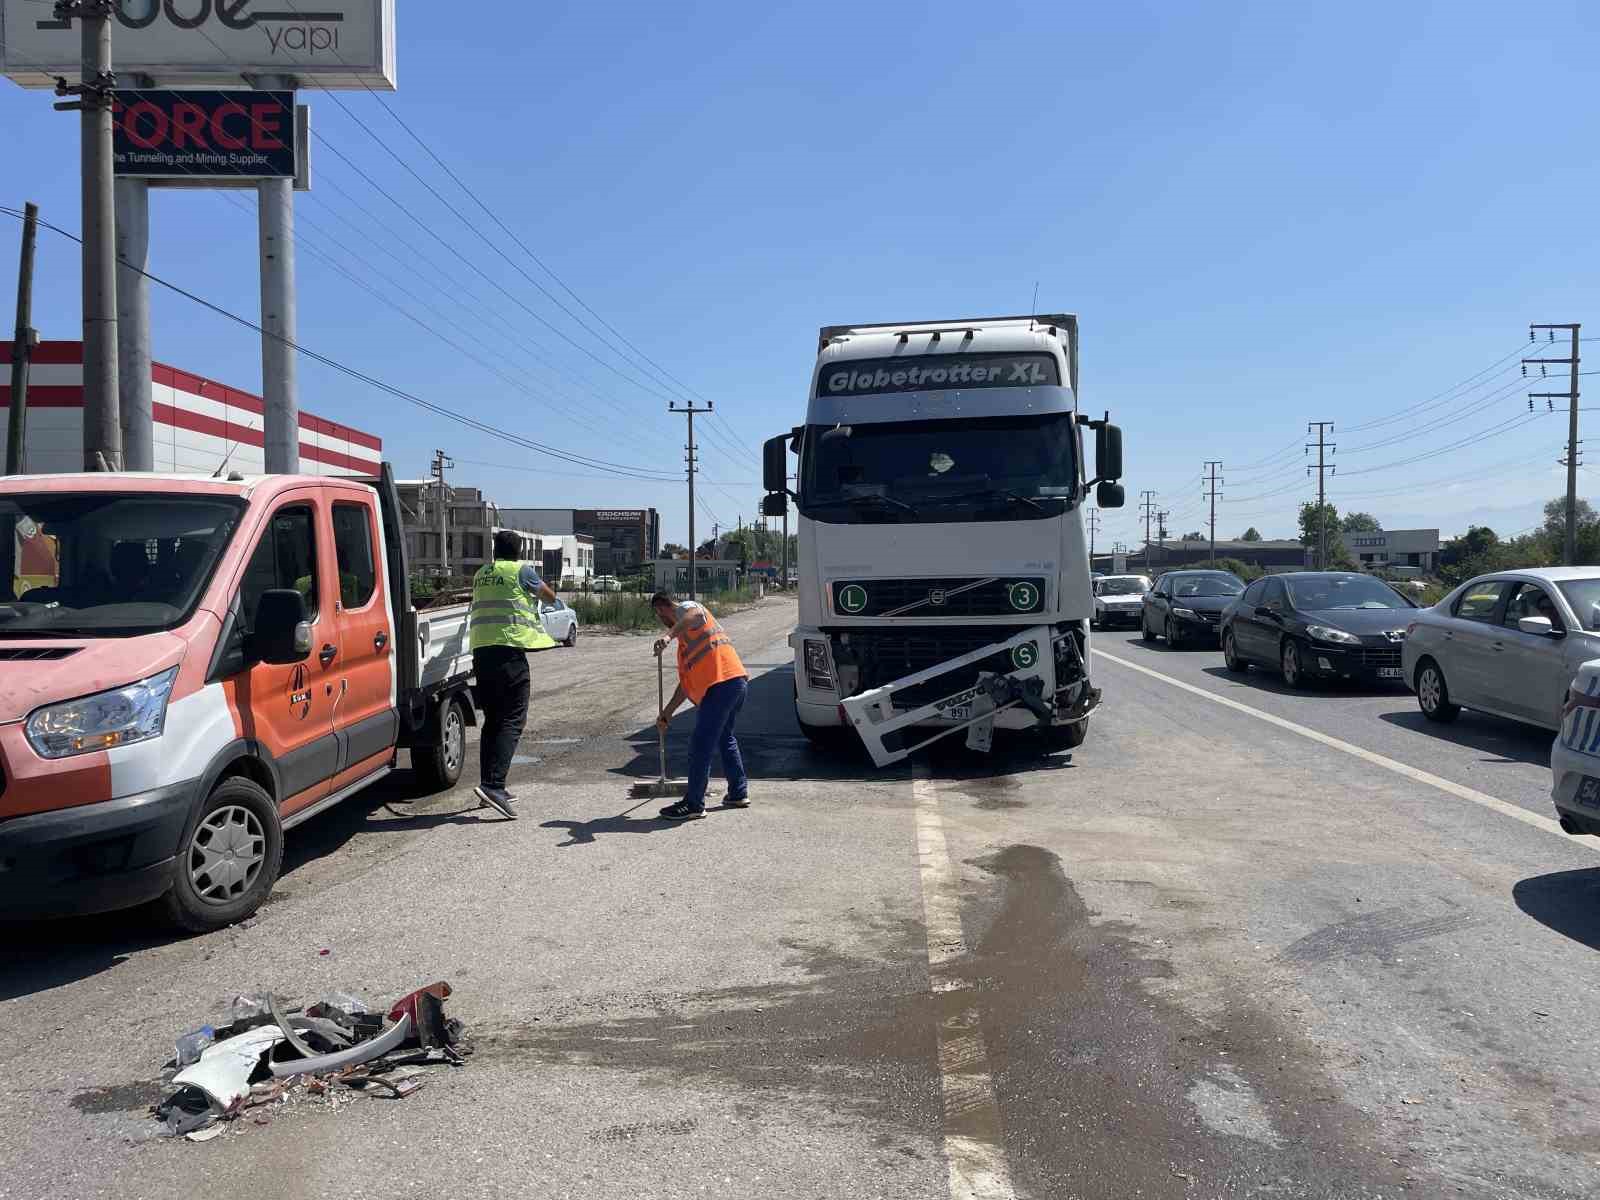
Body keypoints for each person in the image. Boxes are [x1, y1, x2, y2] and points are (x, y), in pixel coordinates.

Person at [469, 529, 559, 818]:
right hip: (509, 651)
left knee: (493, 720)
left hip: (482, 652)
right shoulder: (522, 571)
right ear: (519, 551)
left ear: (495, 550)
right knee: (513, 719)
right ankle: (494, 785)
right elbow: (549, 595)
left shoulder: (482, 573)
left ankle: (489, 785)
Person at [652, 590, 750, 821]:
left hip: (722, 685)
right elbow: (686, 686)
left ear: (661, 608)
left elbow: (693, 616)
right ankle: (738, 792)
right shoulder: (686, 643)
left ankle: (694, 804)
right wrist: (666, 713)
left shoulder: (688, 608)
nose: (661, 620)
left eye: (659, 615)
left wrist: (668, 636)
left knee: (700, 744)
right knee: (725, 737)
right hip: (735, 683)